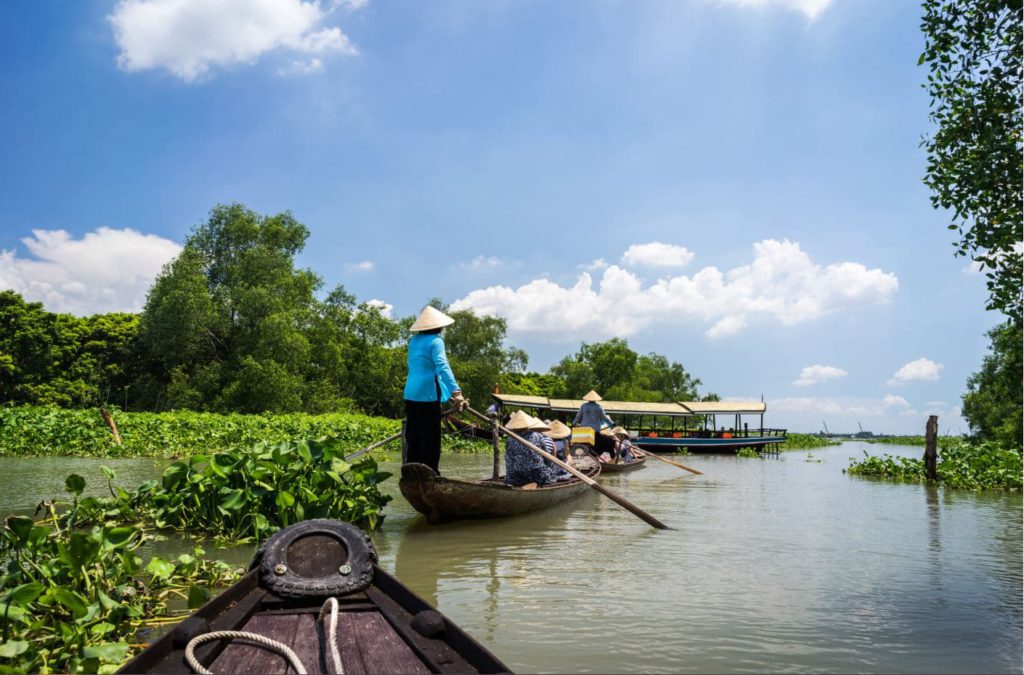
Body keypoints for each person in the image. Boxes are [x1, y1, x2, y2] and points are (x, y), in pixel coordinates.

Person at [403, 306, 468, 474]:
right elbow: (442, 367)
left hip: (410, 393)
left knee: (413, 436)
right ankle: (430, 473)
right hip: (427, 394)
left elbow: (420, 367)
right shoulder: (436, 341)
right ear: (437, 327)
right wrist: (457, 392)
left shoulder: (414, 341)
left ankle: (411, 472)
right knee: (430, 438)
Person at [503, 411, 564, 487]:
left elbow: (509, 459)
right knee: (552, 474)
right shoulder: (538, 436)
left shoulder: (509, 439)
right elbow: (546, 456)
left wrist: (509, 476)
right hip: (537, 475)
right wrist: (550, 469)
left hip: (518, 477)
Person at [573, 390, 617, 458]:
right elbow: (605, 417)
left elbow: (578, 416)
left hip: (584, 431)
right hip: (595, 431)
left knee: (583, 444)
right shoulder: (598, 407)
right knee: (608, 443)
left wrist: (574, 423)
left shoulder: (583, 406)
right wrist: (612, 423)